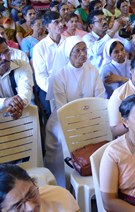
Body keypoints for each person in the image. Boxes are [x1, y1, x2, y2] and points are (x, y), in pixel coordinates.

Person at [45, 36, 105, 187]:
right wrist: (79, 121)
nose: (82, 54)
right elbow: (62, 106)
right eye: (77, 51)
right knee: (61, 139)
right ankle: (64, 182)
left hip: (91, 116)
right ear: (68, 54)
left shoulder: (92, 71)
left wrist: (90, 118)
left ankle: (99, 179)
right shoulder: (60, 75)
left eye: (84, 49)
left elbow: (100, 97)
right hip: (65, 118)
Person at [0, 164, 80, 212]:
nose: (31, 207)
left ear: (35, 185)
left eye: (31, 193)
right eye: (17, 206)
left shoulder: (60, 198)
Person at [32, 11, 66, 118]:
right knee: (51, 113)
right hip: (48, 87)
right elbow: (41, 77)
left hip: (69, 83)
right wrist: (56, 91)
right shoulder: (39, 48)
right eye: (56, 22)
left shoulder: (69, 42)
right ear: (47, 26)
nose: (61, 25)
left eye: (61, 21)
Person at [0, 35, 33, 119]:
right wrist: (4, 102)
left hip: (22, 113)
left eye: (7, 52)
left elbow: (25, 91)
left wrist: (15, 107)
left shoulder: (22, 65)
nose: (4, 57)